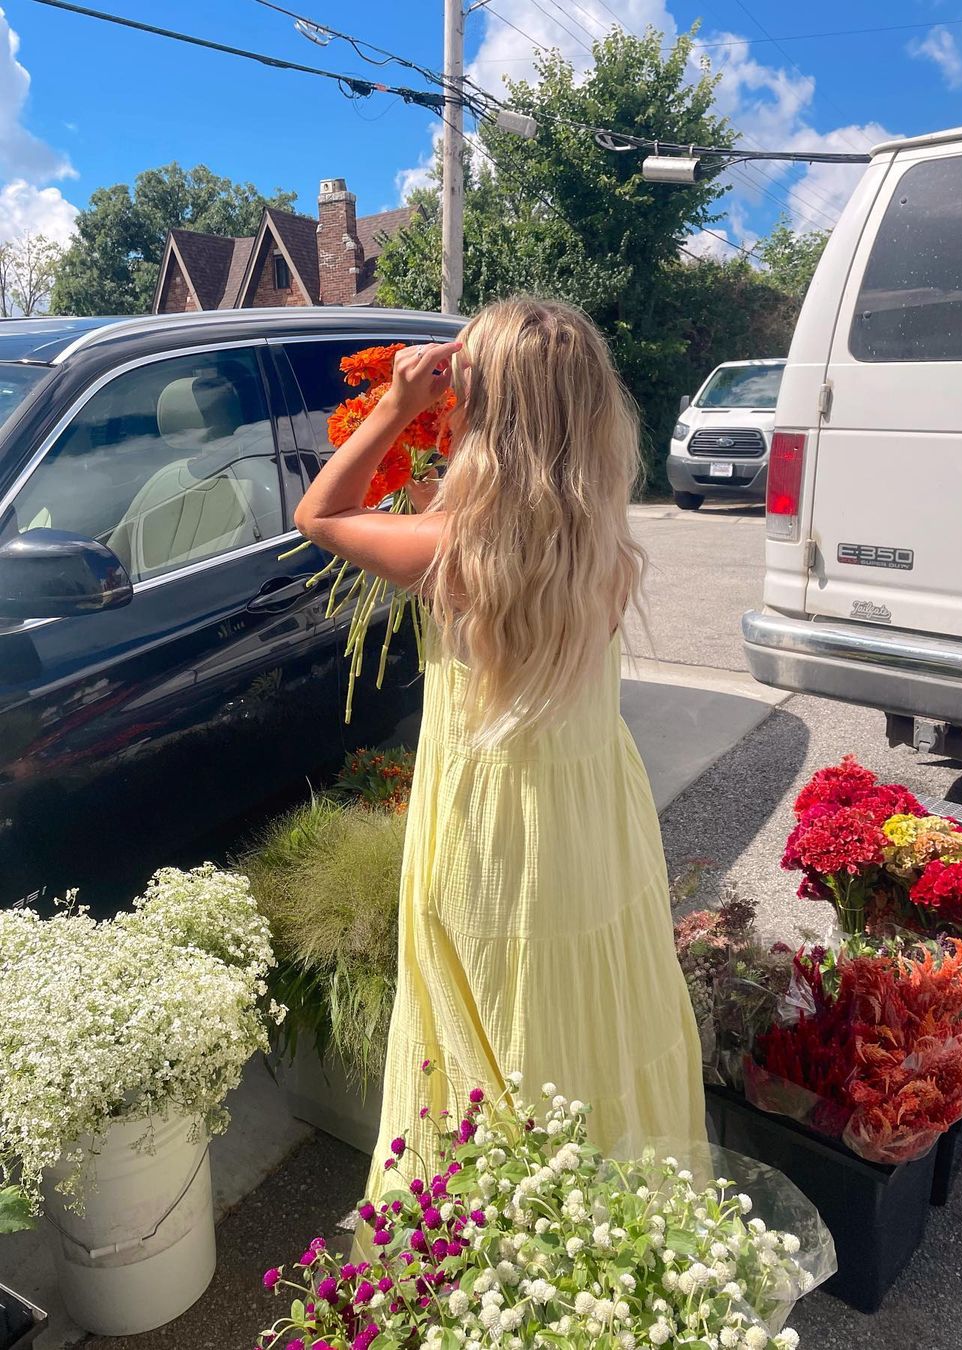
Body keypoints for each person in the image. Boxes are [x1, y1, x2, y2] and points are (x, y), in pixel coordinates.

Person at [293, 296, 708, 1214]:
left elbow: (320, 513)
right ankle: (600, 1219)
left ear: (484, 408)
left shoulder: (448, 549)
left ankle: (495, 1230)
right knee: (591, 1008)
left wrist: (397, 407)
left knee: (486, 1020)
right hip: (592, 816)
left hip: (489, 826)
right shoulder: (602, 543)